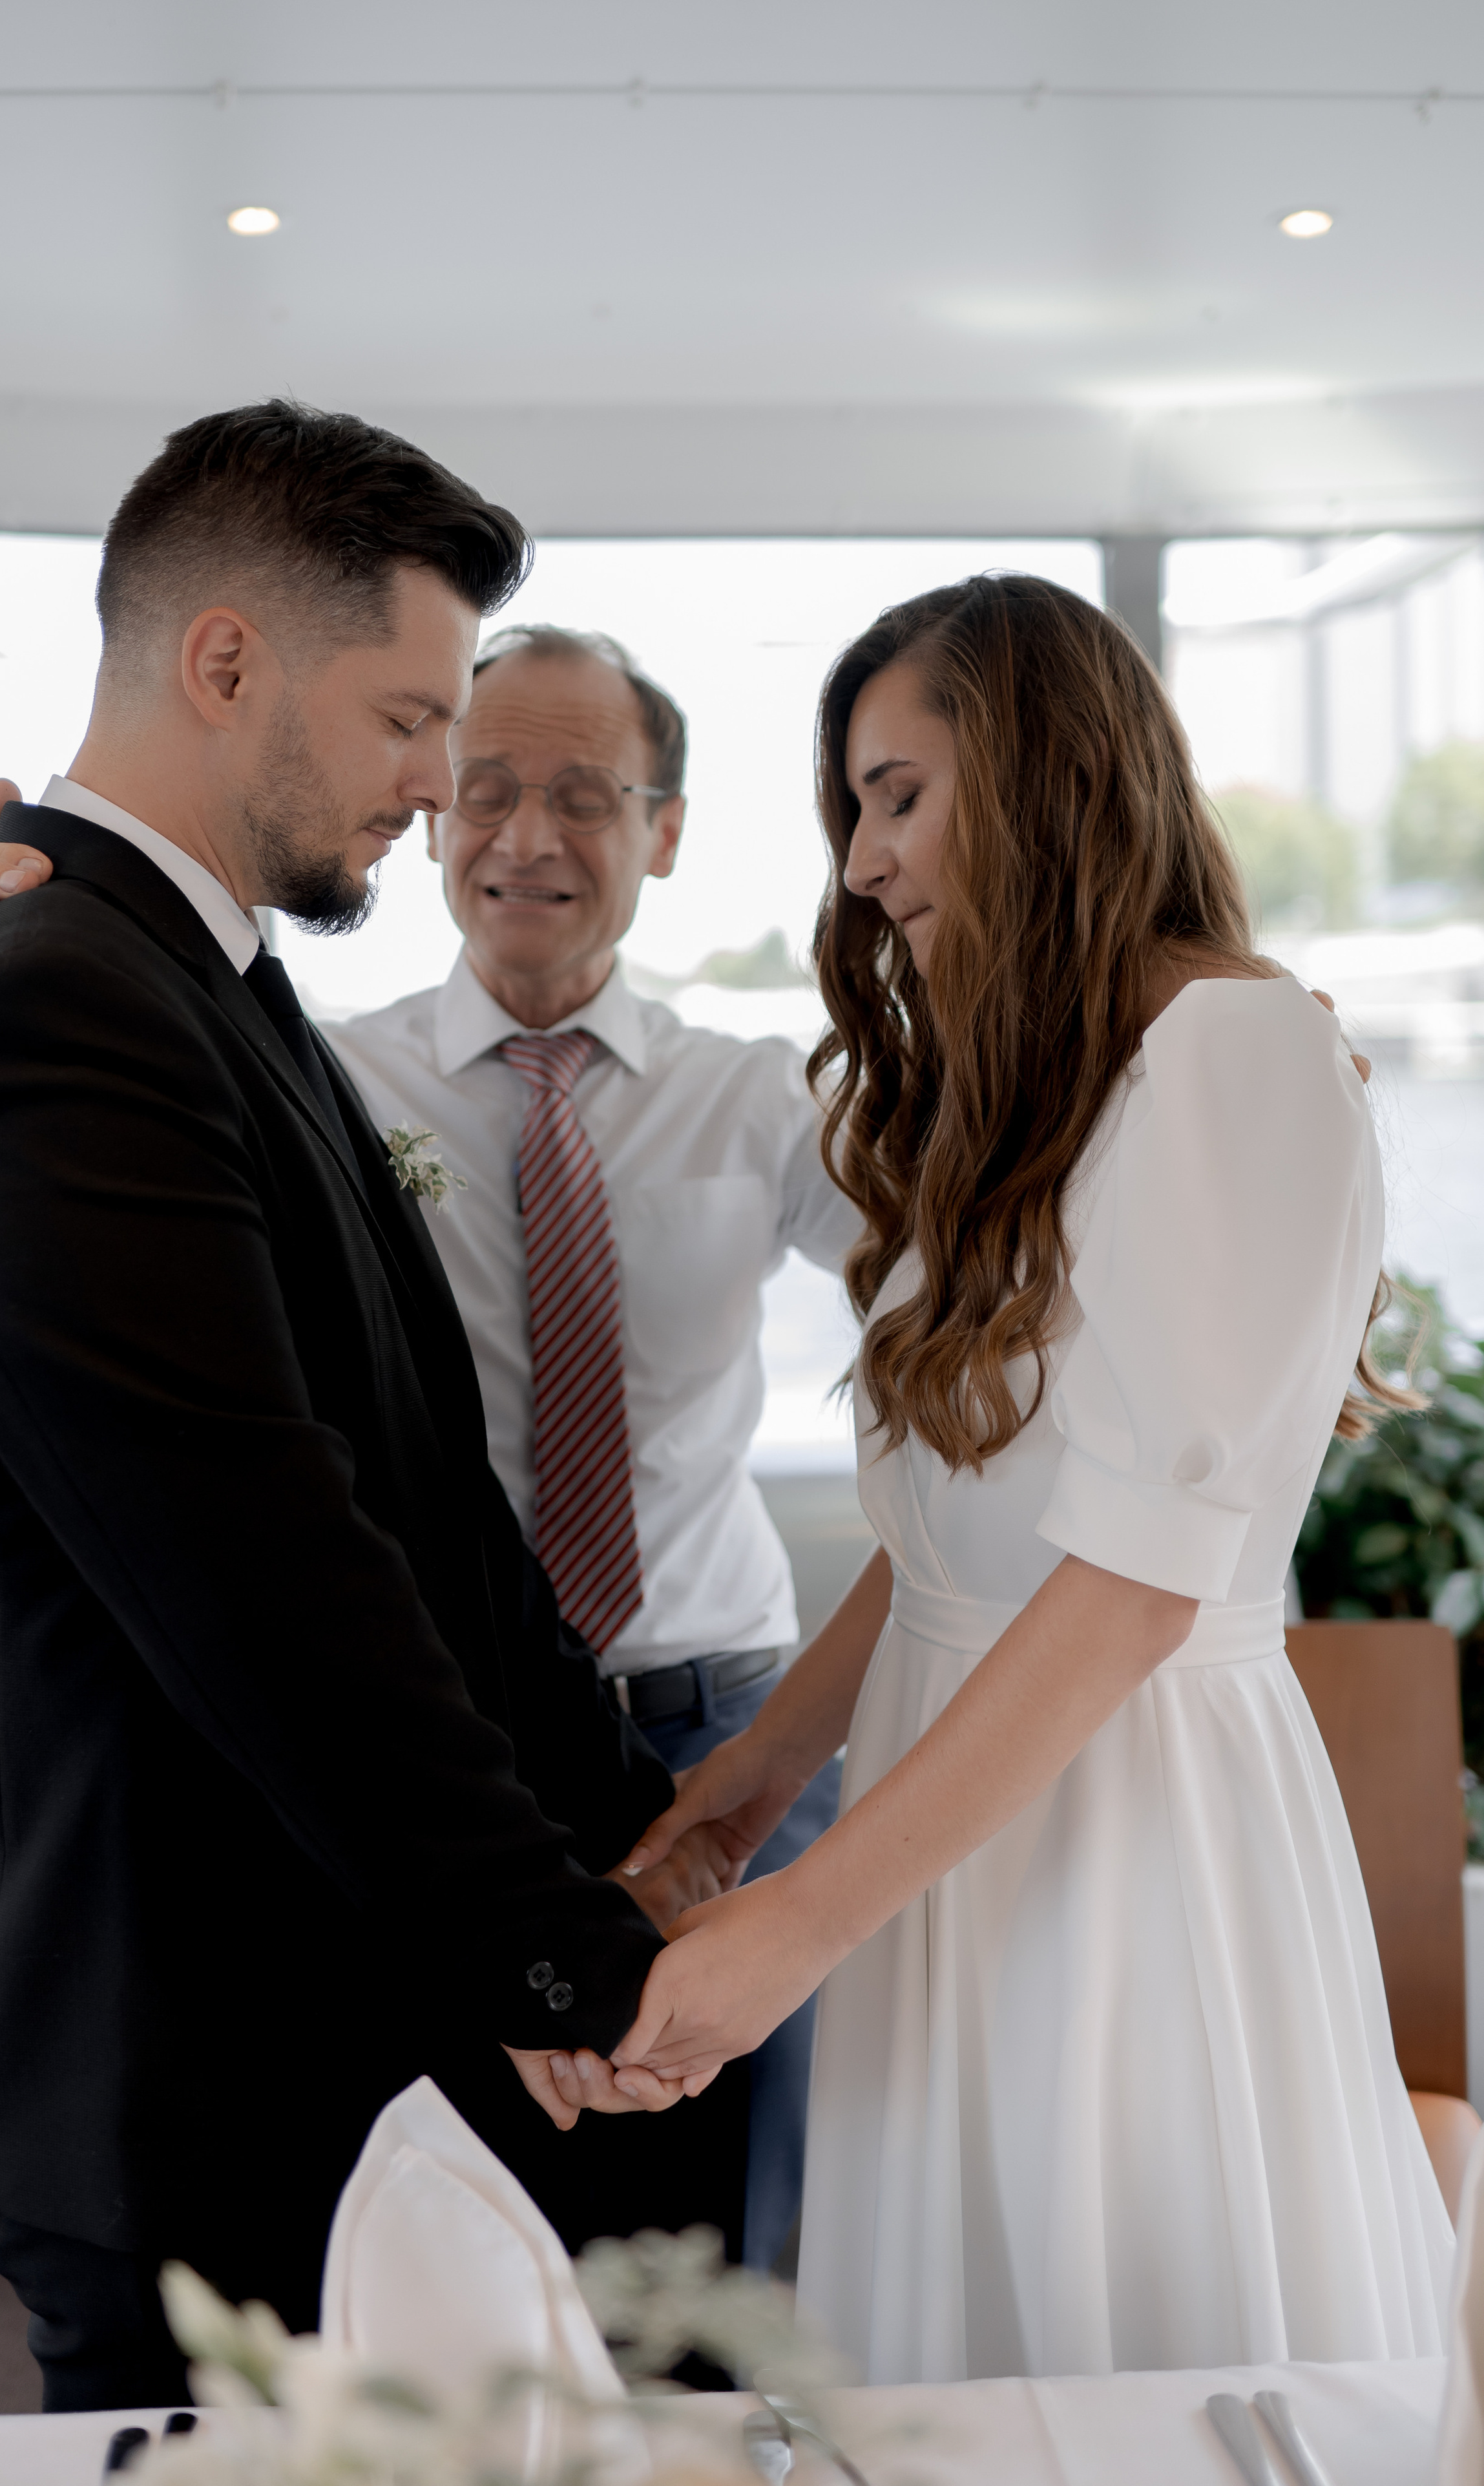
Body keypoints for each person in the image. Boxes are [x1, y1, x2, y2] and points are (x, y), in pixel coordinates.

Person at [0, 399, 723, 2413]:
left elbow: (416, 1490)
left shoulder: (194, 978)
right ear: (226, 659)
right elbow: (275, 1585)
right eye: (412, 719)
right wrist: (574, 1966)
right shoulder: (44, 1000)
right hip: (196, 2051)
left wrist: (636, 1836)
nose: (440, 787)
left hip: (321, 2025)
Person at [611, 574, 1453, 2381]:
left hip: (1121, 1811)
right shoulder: (1030, 1096)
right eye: (855, 808)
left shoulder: (1235, 1049)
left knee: (1115, 2326)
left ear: (1049, 767)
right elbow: (949, 1531)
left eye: (899, 792)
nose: (861, 863)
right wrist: (756, 1783)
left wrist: (806, 1923)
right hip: (953, 1778)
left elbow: (1138, 1581)